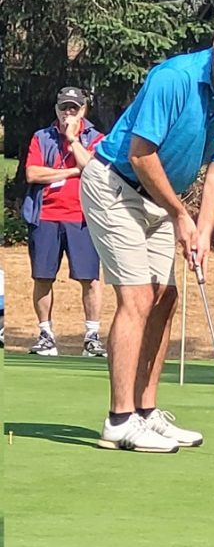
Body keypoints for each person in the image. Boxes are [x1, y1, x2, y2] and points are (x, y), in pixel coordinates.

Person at [79, 10, 214, 452]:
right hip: (115, 183)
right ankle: (119, 420)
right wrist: (181, 215)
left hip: (160, 199)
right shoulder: (174, 77)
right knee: (138, 297)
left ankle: (146, 412)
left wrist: (203, 231)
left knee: (165, 298)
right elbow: (142, 154)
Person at [22, 87, 107, 358]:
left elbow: (93, 169)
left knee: (90, 279)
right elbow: (32, 174)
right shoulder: (41, 137)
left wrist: (73, 141)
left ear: (83, 110)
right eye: (63, 108)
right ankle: (46, 335)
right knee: (43, 277)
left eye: (74, 108)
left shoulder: (96, 138)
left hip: (82, 218)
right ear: (56, 110)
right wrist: (72, 171)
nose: (68, 113)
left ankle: (92, 337)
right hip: (44, 217)